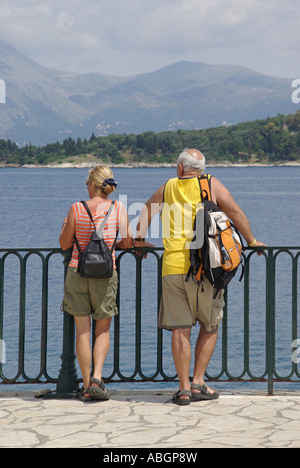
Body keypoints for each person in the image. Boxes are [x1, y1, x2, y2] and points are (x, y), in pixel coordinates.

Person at [135, 149, 266, 405]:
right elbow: (235, 212)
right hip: (208, 267)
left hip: (173, 267)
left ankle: (183, 389)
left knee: (180, 329)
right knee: (210, 325)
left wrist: (138, 241)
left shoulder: (168, 187)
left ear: (180, 168)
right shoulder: (210, 184)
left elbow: (146, 212)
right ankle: (198, 383)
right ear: (201, 169)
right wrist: (251, 240)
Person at [60, 165, 133, 402]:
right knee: (102, 329)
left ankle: (84, 383)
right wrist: (114, 245)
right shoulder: (118, 208)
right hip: (105, 273)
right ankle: (97, 379)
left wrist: (65, 226)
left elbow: (64, 244)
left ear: (92, 185)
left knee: (83, 330)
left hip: (77, 271)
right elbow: (128, 241)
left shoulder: (76, 208)